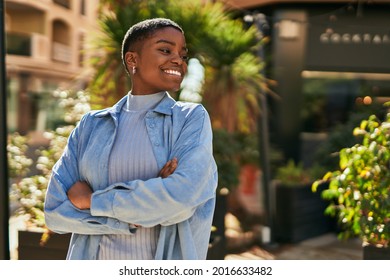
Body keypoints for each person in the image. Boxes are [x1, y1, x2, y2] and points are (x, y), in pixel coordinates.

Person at [44, 18, 218, 260]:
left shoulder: (190, 119)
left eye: (182, 54)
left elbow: (181, 198)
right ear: (132, 59)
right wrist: (147, 202)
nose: (178, 59)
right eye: (166, 50)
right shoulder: (91, 125)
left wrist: (91, 200)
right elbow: (55, 212)